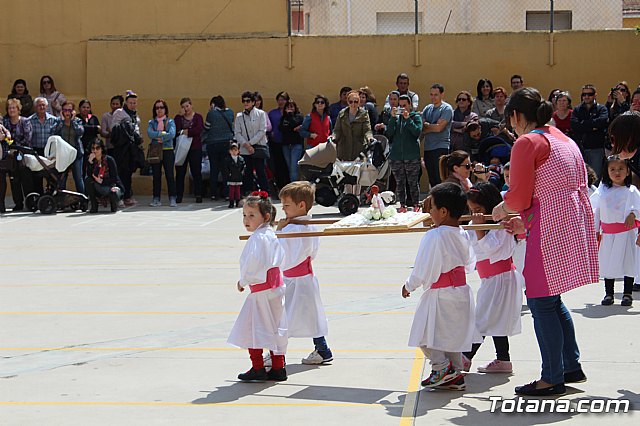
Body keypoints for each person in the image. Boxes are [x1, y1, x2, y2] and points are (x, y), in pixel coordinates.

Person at [492, 87, 597, 396]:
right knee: (551, 298)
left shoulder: (528, 142)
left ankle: (551, 377)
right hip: (571, 220)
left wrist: (503, 207)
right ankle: (569, 365)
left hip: (547, 227)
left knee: (540, 301)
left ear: (514, 116)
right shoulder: (564, 138)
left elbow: (520, 195)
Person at [402, 182, 476, 391]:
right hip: (461, 291)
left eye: (431, 208)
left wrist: (410, 285)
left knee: (424, 334)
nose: (430, 212)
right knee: (451, 336)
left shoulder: (435, 235)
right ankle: (455, 374)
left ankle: (441, 368)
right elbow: (470, 263)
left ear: (443, 211)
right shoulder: (462, 232)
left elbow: (422, 267)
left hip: (441, 293)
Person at [462, 182, 523, 373]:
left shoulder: (503, 223)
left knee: (482, 319)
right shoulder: (476, 222)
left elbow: (489, 248)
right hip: (490, 277)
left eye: (478, 209)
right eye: (471, 210)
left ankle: (465, 357)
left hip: (502, 277)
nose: (475, 214)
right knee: (495, 320)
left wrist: (480, 227)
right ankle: (503, 360)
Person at [227, 191, 288, 382]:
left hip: (261, 290)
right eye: (244, 215)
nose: (246, 220)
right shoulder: (270, 235)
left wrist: (243, 281)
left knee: (253, 327)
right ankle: (278, 367)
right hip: (276, 288)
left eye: (252, 215)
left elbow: (254, 265)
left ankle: (258, 367)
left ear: (266, 217)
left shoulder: (258, 238)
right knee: (276, 326)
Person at [276, 181, 333, 365]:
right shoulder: (308, 224)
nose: (283, 209)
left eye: (287, 205)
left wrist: (279, 232)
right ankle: (323, 349)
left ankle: (277, 355)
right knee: (311, 314)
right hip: (304, 278)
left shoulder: (294, 229)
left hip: (295, 279)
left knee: (282, 317)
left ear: (301, 206)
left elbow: (283, 256)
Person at [590, 155, 639, 307]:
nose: (617, 172)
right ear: (607, 171)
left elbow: (638, 207)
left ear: (627, 171)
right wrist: (595, 230)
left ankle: (627, 293)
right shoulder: (602, 190)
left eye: (620, 169)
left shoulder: (631, 191)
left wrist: (633, 214)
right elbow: (596, 210)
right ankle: (609, 293)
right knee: (608, 263)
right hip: (608, 234)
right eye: (612, 169)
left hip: (626, 233)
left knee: (628, 262)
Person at [386, 94, 423, 212]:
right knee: (400, 183)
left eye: (405, 106)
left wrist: (408, 120)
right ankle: (402, 205)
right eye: (400, 106)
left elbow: (417, 132)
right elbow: (389, 133)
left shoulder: (415, 116)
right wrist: (392, 118)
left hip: (412, 156)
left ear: (410, 105)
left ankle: (416, 204)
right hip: (396, 156)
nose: (403, 108)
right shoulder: (395, 118)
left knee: (413, 182)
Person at [110, 90, 143, 206]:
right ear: (126, 103)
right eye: (130, 103)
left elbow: (137, 129)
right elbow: (113, 129)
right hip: (121, 148)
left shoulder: (135, 115)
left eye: (134, 103)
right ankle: (120, 196)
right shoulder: (120, 112)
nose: (133, 105)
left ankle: (127, 196)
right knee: (120, 172)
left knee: (129, 172)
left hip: (132, 148)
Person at [570, 84, 609, 179]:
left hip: (596, 149)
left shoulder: (601, 109)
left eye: (589, 94)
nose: (586, 96)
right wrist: (592, 127)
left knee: (596, 177)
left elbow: (601, 122)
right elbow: (574, 125)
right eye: (584, 94)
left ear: (595, 95)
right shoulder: (577, 109)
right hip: (580, 148)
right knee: (580, 177)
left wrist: (583, 124)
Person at [3, 98, 34, 211]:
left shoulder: (25, 121)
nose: (11, 110)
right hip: (10, 156)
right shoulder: (5, 122)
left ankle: (30, 203)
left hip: (23, 154)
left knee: (26, 179)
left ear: (18, 109)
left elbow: (28, 139)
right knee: (14, 180)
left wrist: (15, 148)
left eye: (13, 108)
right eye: (9, 108)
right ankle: (18, 204)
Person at [235, 91, 269, 194]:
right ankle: (248, 192)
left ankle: (265, 192)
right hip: (245, 149)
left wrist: (250, 143)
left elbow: (262, 131)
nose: (246, 103)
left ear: (253, 102)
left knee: (260, 171)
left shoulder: (261, 114)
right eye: (244, 101)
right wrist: (246, 145)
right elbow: (237, 133)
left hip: (258, 147)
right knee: (247, 172)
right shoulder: (239, 116)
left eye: (248, 101)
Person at [422, 84, 454, 189]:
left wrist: (428, 126)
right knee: (432, 178)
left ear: (442, 94)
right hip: (428, 147)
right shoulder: (427, 108)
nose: (433, 97)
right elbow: (422, 127)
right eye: (431, 94)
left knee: (440, 176)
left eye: (436, 94)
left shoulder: (446, 108)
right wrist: (432, 126)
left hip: (441, 147)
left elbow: (439, 128)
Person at [203, 95, 234, 200]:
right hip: (226, 144)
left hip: (213, 144)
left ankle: (213, 193)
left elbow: (207, 127)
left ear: (213, 104)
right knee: (225, 170)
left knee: (214, 170)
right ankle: (226, 193)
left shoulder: (211, 114)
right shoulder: (230, 112)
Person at [147, 99, 177, 207]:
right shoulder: (152, 122)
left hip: (167, 150)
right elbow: (150, 133)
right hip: (155, 151)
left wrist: (161, 138)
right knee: (156, 175)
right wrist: (163, 133)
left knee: (169, 175)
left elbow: (172, 134)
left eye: (161, 107)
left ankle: (172, 198)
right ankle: (156, 198)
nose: (159, 110)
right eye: (157, 108)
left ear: (165, 109)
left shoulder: (170, 121)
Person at [174, 97, 204, 204]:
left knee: (196, 171)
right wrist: (179, 115)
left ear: (191, 105)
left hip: (195, 148)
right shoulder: (179, 118)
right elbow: (176, 130)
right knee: (180, 172)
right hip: (182, 148)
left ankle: (198, 194)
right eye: (183, 107)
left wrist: (188, 131)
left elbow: (199, 129)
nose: (186, 109)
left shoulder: (198, 117)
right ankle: (179, 195)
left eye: (187, 106)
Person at [331, 90, 373, 161]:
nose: (353, 104)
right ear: (348, 102)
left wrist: (369, 138)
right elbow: (337, 130)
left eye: (356, 101)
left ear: (359, 102)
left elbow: (367, 130)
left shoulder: (364, 114)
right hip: (344, 148)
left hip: (358, 149)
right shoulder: (342, 114)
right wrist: (333, 137)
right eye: (351, 102)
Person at [28, 97, 59, 194]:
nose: (41, 107)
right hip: (36, 151)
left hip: (49, 152)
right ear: (35, 107)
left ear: (47, 106)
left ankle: (51, 197)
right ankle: (39, 198)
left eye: (43, 105)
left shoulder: (54, 120)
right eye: (39, 105)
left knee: (51, 176)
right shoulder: (29, 120)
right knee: (36, 176)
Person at [52, 101, 85, 194]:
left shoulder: (77, 121)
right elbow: (53, 132)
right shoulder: (58, 121)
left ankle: (83, 198)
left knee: (78, 177)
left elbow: (80, 132)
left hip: (76, 153)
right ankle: (62, 199)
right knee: (62, 178)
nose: (67, 112)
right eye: (65, 110)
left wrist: (73, 121)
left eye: (69, 110)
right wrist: (62, 121)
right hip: (63, 154)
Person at [84, 139, 123, 213]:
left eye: (97, 148)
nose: (95, 151)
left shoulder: (109, 160)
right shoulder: (91, 160)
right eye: (93, 148)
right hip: (97, 185)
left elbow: (114, 178)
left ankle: (114, 204)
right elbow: (89, 175)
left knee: (114, 193)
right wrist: (90, 162)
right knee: (88, 180)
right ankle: (94, 204)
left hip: (110, 185)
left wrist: (103, 181)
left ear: (102, 149)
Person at [267, 91, 290, 190]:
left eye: (283, 100)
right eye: (279, 100)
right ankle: (280, 187)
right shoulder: (272, 113)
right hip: (276, 142)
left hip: (288, 143)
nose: (281, 102)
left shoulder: (290, 111)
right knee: (277, 165)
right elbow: (267, 126)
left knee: (288, 165)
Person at [279, 100, 304, 182]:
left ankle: (294, 188)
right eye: (287, 107)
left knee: (294, 167)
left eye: (291, 107)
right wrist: (291, 128)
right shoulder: (283, 118)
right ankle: (293, 185)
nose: (289, 109)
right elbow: (282, 129)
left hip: (296, 145)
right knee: (290, 167)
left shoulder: (299, 116)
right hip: (286, 145)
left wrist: (290, 115)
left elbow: (295, 123)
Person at [77, 99, 101, 174]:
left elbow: (99, 130)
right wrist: (94, 127)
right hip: (80, 147)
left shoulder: (93, 118)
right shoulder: (76, 118)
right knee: (82, 169)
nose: (86, 109)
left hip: (92, 147)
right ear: (79, 108)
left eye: (88, 107)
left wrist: (90, 128)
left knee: (93, 168)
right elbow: (80, 128)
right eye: (83, 107)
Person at [223, 142, 245, 208]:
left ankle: (238, 201)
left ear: (238, 151)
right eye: (232, 150)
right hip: (231, 176)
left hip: (238, 176)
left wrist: (242, 172)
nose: (234, 152)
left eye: (235, 150)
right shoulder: (227, 160)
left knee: (238, 190)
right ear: (229, 151)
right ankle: (231, 202)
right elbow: (225, 168)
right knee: (231, 190)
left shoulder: (241, 159)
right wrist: (228, 173)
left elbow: (244, 167)